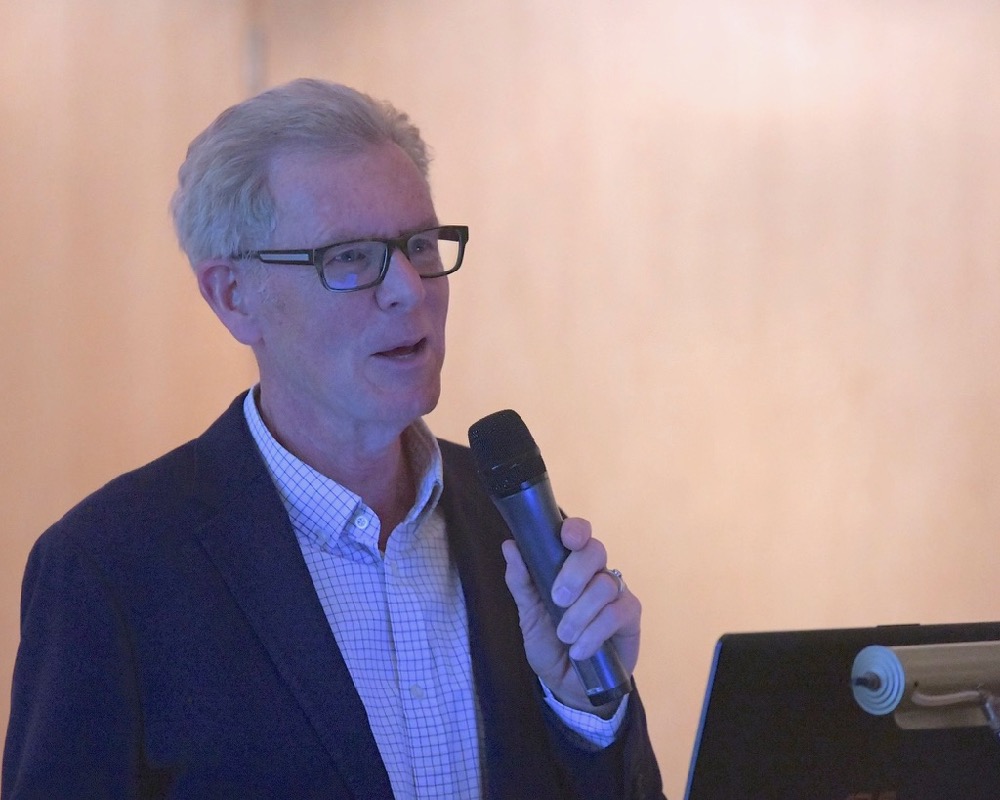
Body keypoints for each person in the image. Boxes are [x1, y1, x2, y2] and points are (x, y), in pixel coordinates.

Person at [3, 78, 664, 799]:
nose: (409, 288)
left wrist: (585, 712)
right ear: (233, 296)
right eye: (349, 256)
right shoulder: (109, 567)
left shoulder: (508, 516)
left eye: (419, 244)